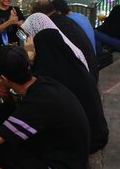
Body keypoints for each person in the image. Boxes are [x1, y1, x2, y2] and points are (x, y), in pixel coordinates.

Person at [21, 13, 108, 154]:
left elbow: (32, 98)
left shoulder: (49, 72)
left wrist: (29, 56)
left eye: (30, 36)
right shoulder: (70, 58)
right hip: (98, 134)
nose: (27, 41)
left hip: (84, 144)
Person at [30, 0, 98, 82]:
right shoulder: (67, 20)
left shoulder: (50, 28)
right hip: (92, 73)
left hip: (81, 80)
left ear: (37, 16)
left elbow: (46, 61)